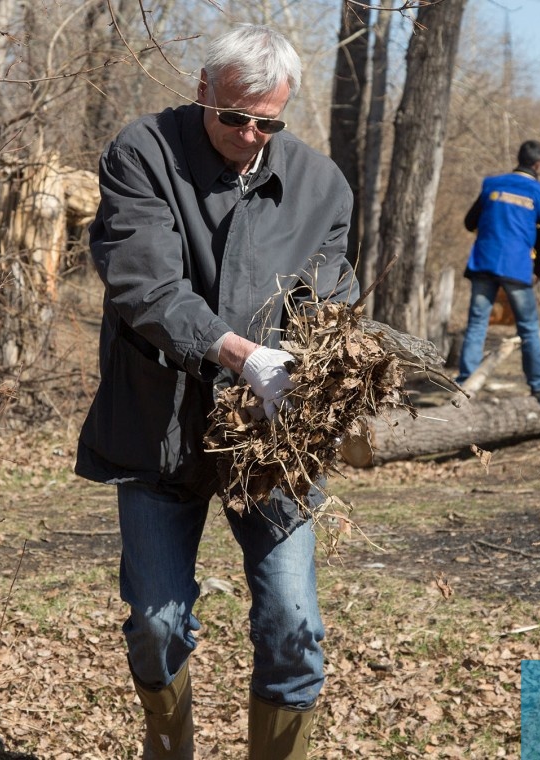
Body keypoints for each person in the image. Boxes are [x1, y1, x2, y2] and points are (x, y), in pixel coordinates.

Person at [74, 24, 358, 760]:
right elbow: (145, 286)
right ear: (203, 89)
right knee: (158, 624)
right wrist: (240, 356)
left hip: (269, 445)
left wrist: (322, 360)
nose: (250, 134)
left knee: (295, 628)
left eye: (268, 121)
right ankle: (168, 749)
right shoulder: (144, 154)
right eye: (234, 116)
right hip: (159, 430)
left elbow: (331, 297)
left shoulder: (321, 186)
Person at [455, 140, 540, 398]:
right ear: (538, 165)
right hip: (517, 267)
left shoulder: (492, 184)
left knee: (477, 324)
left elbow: (469, 222)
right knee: (528, 328)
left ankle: (466, 383)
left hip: (484, 261)